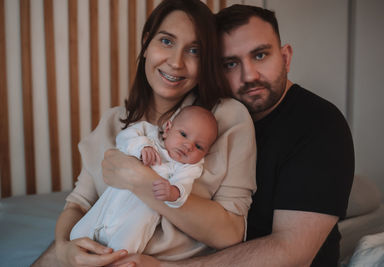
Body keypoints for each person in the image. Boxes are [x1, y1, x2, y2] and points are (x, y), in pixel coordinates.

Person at [107, 4, 355, 267]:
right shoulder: (204, 116)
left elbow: (292, 251)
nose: (249, 76)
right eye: (230, 63)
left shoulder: (319, 123)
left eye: (260, 55)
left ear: (285, 57)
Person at [32, 1, 256, 266]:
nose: (176, 62)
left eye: (194, 50)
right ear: (147, 43)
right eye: (166, 41)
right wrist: (63, 248)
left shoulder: (226, 119)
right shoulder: (113, 122)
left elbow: (231, 232)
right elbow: (77, 204)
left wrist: (140, 180)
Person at [70, 106, 218, 255]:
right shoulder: (149, 134)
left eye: (199, 146)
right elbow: (124, 138)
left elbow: (184, 185)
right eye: (184, 134)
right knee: (77, 234)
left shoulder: (187, 167)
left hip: (136, 219)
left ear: (206, 153)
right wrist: (142, 146)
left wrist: (173, 192)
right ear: (168, 129)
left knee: (123, 250)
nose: (188, 146)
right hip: (109, 203)